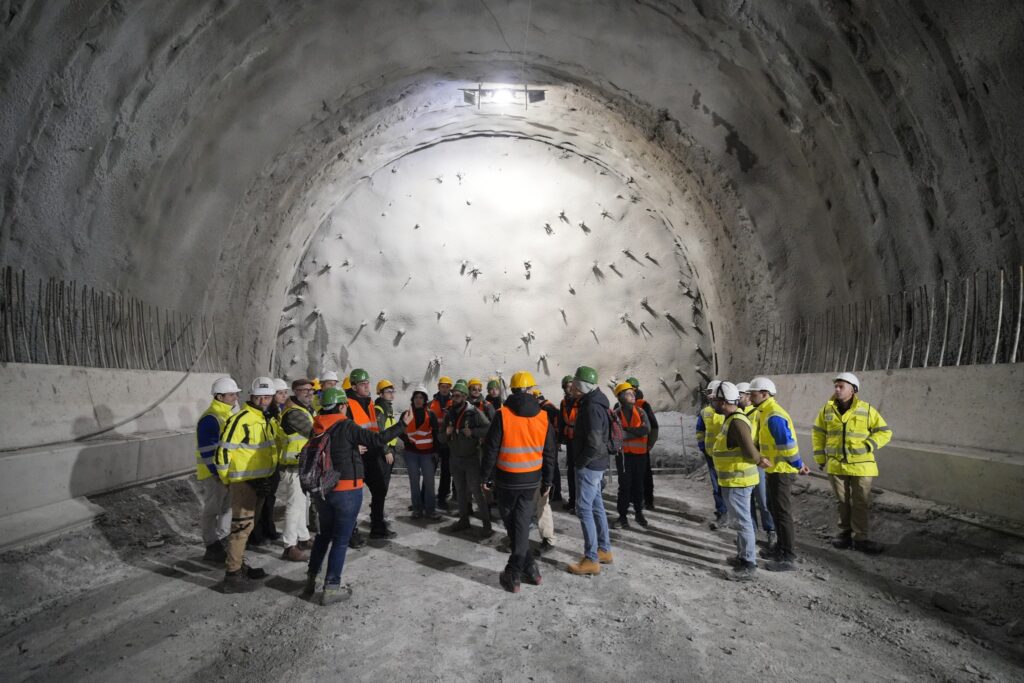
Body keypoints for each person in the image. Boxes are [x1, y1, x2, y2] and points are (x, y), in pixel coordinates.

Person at [303, 388, 411, 604]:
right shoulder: (346, 425)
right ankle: (332, 588)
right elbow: (378, 438)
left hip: (323, 490)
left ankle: (311, 579)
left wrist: (354, 449)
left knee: (324, 535)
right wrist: (402, 424)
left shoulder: (316, 425)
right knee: (341, 540)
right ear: (342, 406)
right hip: (346, 489)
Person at [481, 371, 557, 592]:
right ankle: (530, 567)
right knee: (521, 524)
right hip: (531, 481)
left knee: (513, 523)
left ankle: (514, 571)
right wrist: (548, 481)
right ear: (531, 390)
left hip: (506, 480)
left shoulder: (502, 414)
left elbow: (491, 449)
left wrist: (485, 476)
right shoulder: (543, 416)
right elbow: (550, 453)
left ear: (512, 390)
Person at [214, 377, 282, 593]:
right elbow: (223, 451)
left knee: (248, 526)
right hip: (244, 482)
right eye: (259, 397)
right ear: (251, 397)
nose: (263, 400)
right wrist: (228, 480)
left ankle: (238, 565)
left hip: (262, 481)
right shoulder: (241, 419)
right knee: (241, 528)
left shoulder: (268, 419)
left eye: (268, 397)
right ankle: (232, 576)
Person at [813, 372, 893, 555]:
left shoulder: (866, 409)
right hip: (836, 465)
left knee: (860, 502)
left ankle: (861, 539)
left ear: (853, 389)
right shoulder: (826, 410)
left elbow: (885, 432)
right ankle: (845, 533)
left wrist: (869, 445)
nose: (837, 389)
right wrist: (819, 457)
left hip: (862, 465)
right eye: (836, 386)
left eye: (841, 386)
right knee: (842, 501)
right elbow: (818, 433)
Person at [710, 381, 772, 581]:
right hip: (734, 480)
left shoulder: (736, 421)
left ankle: (748, 563)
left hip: (739, 481)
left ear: (723, 401)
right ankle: (742, 556)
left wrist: (760, 460)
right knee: (740, 522)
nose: (711, 403)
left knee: (744, 522)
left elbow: (749, 449)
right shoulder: (731, 419)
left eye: (714, 400)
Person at [748, 376, 808, 571]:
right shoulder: (764, 412)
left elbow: (787, 446)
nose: (750, 396)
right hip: (774, 469)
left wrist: (798, 464)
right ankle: (780, 548)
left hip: (782, 471)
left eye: (753, 393)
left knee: (782, 513)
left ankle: (788, 555)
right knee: (775, 510)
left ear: (765, 394)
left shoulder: (773, 414)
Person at [566, 366, 614, 576]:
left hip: (590, 465)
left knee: (583, 508)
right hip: (596, 463)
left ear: (582, 386)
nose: (572, 388)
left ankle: (591, 559)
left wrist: (580, 462)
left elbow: (593, 442)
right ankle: (604, 550)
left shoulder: (591, 407)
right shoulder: (595, 402)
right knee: (596, 506)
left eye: (575, 385)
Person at [195, 377, 240, 562]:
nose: (235, 398)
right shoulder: (210, 418)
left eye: (235, 394)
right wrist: (217, 472)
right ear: (219, 396)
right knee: (212, 509)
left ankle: (222, 537)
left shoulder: (227, 414)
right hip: (214, 473)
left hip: (226, 472)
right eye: (231, 395)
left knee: (226, 507)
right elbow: (207, 450)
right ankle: (211, 545)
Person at [346, 369, 393, 544]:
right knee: (353, 497)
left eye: (367, 383)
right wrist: (353, 447)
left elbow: (375, 430)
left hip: (372, 455)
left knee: (380, 489)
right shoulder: (347, 404)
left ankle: (377, 527)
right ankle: (351, 533)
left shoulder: (369, 402)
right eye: (362, 384)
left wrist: (383, 449)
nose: (367, 387)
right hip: (356, 457)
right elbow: (341, 430)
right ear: (354, 386)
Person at [441, 381, 493, 538]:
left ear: (464, 397)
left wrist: (473, 432)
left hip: (471, 458)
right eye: (452, 395)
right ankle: (464, 520)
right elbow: (440, 438)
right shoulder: (449, 413)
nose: (453, 398)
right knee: (461, 492)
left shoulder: (474, 412)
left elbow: (489, 428)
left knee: (477, 492)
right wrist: (447, 433)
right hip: (455, 459)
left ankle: (487, 525)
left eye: (457, 395)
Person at [275, 378, 316, 562]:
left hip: (301, 464)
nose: (309, 393)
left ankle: (304, 538)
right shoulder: (294, 413)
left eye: (311, 390)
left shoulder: (303, 410)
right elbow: (314, 432)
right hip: (293, 466)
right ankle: (289, 546)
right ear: (295, 391)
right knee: (294, 505)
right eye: (304, 390)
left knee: (302, 504)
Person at [249, 378, 289, 547]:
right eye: (280, 393)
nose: (264, 401)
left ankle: (268, 529)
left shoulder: (273, 415)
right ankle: (255, 535)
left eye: (268, 397)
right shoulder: (252, 417)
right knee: (256, 502)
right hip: (256, 467)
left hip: (271, 464)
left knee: (268, 499)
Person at [737, 382, 775, 549]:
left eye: (742, 394)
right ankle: (750, 532)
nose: (739, 398)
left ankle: (771, 530)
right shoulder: (738, 414)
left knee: (763, 499)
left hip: (757, 461)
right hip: (744, 462)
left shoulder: (758, 413)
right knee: (748, 501)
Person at [612, 382, 650, 529]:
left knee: (638, 486)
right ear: (621, 397)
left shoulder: (641, 412)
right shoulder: (616, 414)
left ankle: (639, 513)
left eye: (633, 393)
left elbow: (645, 430)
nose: (633, 396)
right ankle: (622, 516)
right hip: (623, 457)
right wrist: (634, 431)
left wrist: (626, 430)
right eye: (629, 394)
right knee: (625, 487)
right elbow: (617, 435)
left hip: (640, 455)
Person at [401, 386, 442, 520]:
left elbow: (436, 434)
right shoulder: (406, 414)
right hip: (411, 454)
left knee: (429, 482)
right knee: (414, 482)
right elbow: (400, 431)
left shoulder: (431, 415)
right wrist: (407, 440)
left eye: (421, 397)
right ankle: (417, 509)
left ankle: (430, 510)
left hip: (427, 454)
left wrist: (436, 452)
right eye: (416, 397)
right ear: (413, 399)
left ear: (425, 400)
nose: (418, 400)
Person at [696, 380, 729, 528]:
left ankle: (730, 513)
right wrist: (702, 446)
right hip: (711, 455)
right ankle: (722, 512)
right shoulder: (704, 412)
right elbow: (700, 430)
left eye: (711, 393)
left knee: (728, 486)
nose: (709, 396)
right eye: (709, 393)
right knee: (716, 487)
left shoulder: (727, 411)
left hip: (727, 457)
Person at [372, 379, 401, 539]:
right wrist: (386, 451)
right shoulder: (380, 410)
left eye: (392, 391)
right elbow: (379, 432)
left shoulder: (387, 408)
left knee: (382, 490)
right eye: (388, 392)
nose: (391, 394)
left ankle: (378, 519)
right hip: (384, 454)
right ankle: (377, 525)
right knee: (380, 489)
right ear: (381, 393)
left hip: (389, 451)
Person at [625, 377, 660, 510]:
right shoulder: (621, 405)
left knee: (645, 476)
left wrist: (650, 444)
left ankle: (648, 501)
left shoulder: (643, 404)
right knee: (628, 476)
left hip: (641, 449)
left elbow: (654, 426)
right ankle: (632, 499)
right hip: (627, 450)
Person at [430, 376, 455, 510]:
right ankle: (426, 497)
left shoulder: (454, 402)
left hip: (448, 443)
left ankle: (442, 497)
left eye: (447, 387)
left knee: (446, 472)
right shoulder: (431, 403)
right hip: (434, 443)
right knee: (430, 471)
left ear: (450, 388)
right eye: (442, 386)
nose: (445, 389)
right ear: (439, 387)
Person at [557, 375, 579, 512]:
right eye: (567, 386)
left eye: (572, 385)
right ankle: (572, 501)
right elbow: (561, 421)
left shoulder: (581, 401)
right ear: (564, 388)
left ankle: (580, 503)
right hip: (570, 442)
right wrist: (560, 440)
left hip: (580, 441)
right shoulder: (563, 403)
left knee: (580, 472)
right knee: (571, 472)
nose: (570, 388)